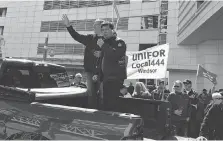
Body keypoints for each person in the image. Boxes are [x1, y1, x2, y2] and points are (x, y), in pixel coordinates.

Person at [62, 14, 104, 109]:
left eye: (95, 25)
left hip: (102, 72)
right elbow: (76, 36)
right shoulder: (90, 38)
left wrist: (102, 53)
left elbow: (113, 55)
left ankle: (102, 115)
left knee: (103, 95)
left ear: (102, 26)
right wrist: (68, 25)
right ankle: (91, 113)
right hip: (90, 71)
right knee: (91, 94)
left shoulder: (108, 40)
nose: (93, 26)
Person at [97, 21, 127, 111]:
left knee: (113, 106)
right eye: (102, 30)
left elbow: (115, 56)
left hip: (115, 79)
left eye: (106, 29)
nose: (104, 32)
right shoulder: (105, 44)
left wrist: (103, 46)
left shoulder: (119, 42)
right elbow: (102, 62)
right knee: (106, 105)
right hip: (106, 79)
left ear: (112, 30)